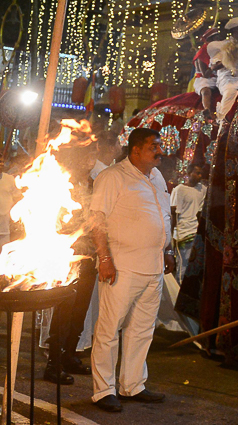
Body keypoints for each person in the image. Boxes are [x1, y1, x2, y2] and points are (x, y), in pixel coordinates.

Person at [88, 128, 175, 412]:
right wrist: (104, 259)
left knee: (141, 329)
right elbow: (96, 220)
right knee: (109, 329)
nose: (160, 150)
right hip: (122, 266)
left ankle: (132, 384)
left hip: (153, 267)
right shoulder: (112, 177)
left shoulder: (157, 177)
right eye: (154, 146)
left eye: (159, 145)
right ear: (135, 150)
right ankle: (103, 391)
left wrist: (168, 249)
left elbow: (163, 215)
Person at [45, 142, 97, 385]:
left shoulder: (94, 184)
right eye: (89, 154)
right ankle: (53, 363)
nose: (92, 159)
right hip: (69, 255)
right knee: (65, 309)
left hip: (90, 255)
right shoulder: (62, 185)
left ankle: (69, 355)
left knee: (80, 310)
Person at [170, 164, 206, 282]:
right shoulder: (179, 190)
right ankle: (178, 295)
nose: (200, 176)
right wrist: (171, 238)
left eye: (201, 173)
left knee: (195, 268)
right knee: (182, 269)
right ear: (189, 174)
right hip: (183, 234)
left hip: (196, 233)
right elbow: (174, 214)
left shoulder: (202, 189)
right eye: (197, 173)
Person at [209, 17, 238, 121]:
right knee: (231, 91)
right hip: (228, 79)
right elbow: (214, 67)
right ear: (235, 30)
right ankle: (220, 118)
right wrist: (230, 57)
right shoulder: (223, 45)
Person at [193, 27, 222, 113]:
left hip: (218, 78)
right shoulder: (201, 53)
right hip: (204, 79)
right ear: (210, 40)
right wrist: (214, 67)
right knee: (206, 91)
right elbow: (205, 74)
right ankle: (207, 110)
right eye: (216, 38)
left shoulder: (218, 51)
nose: (219, 40)